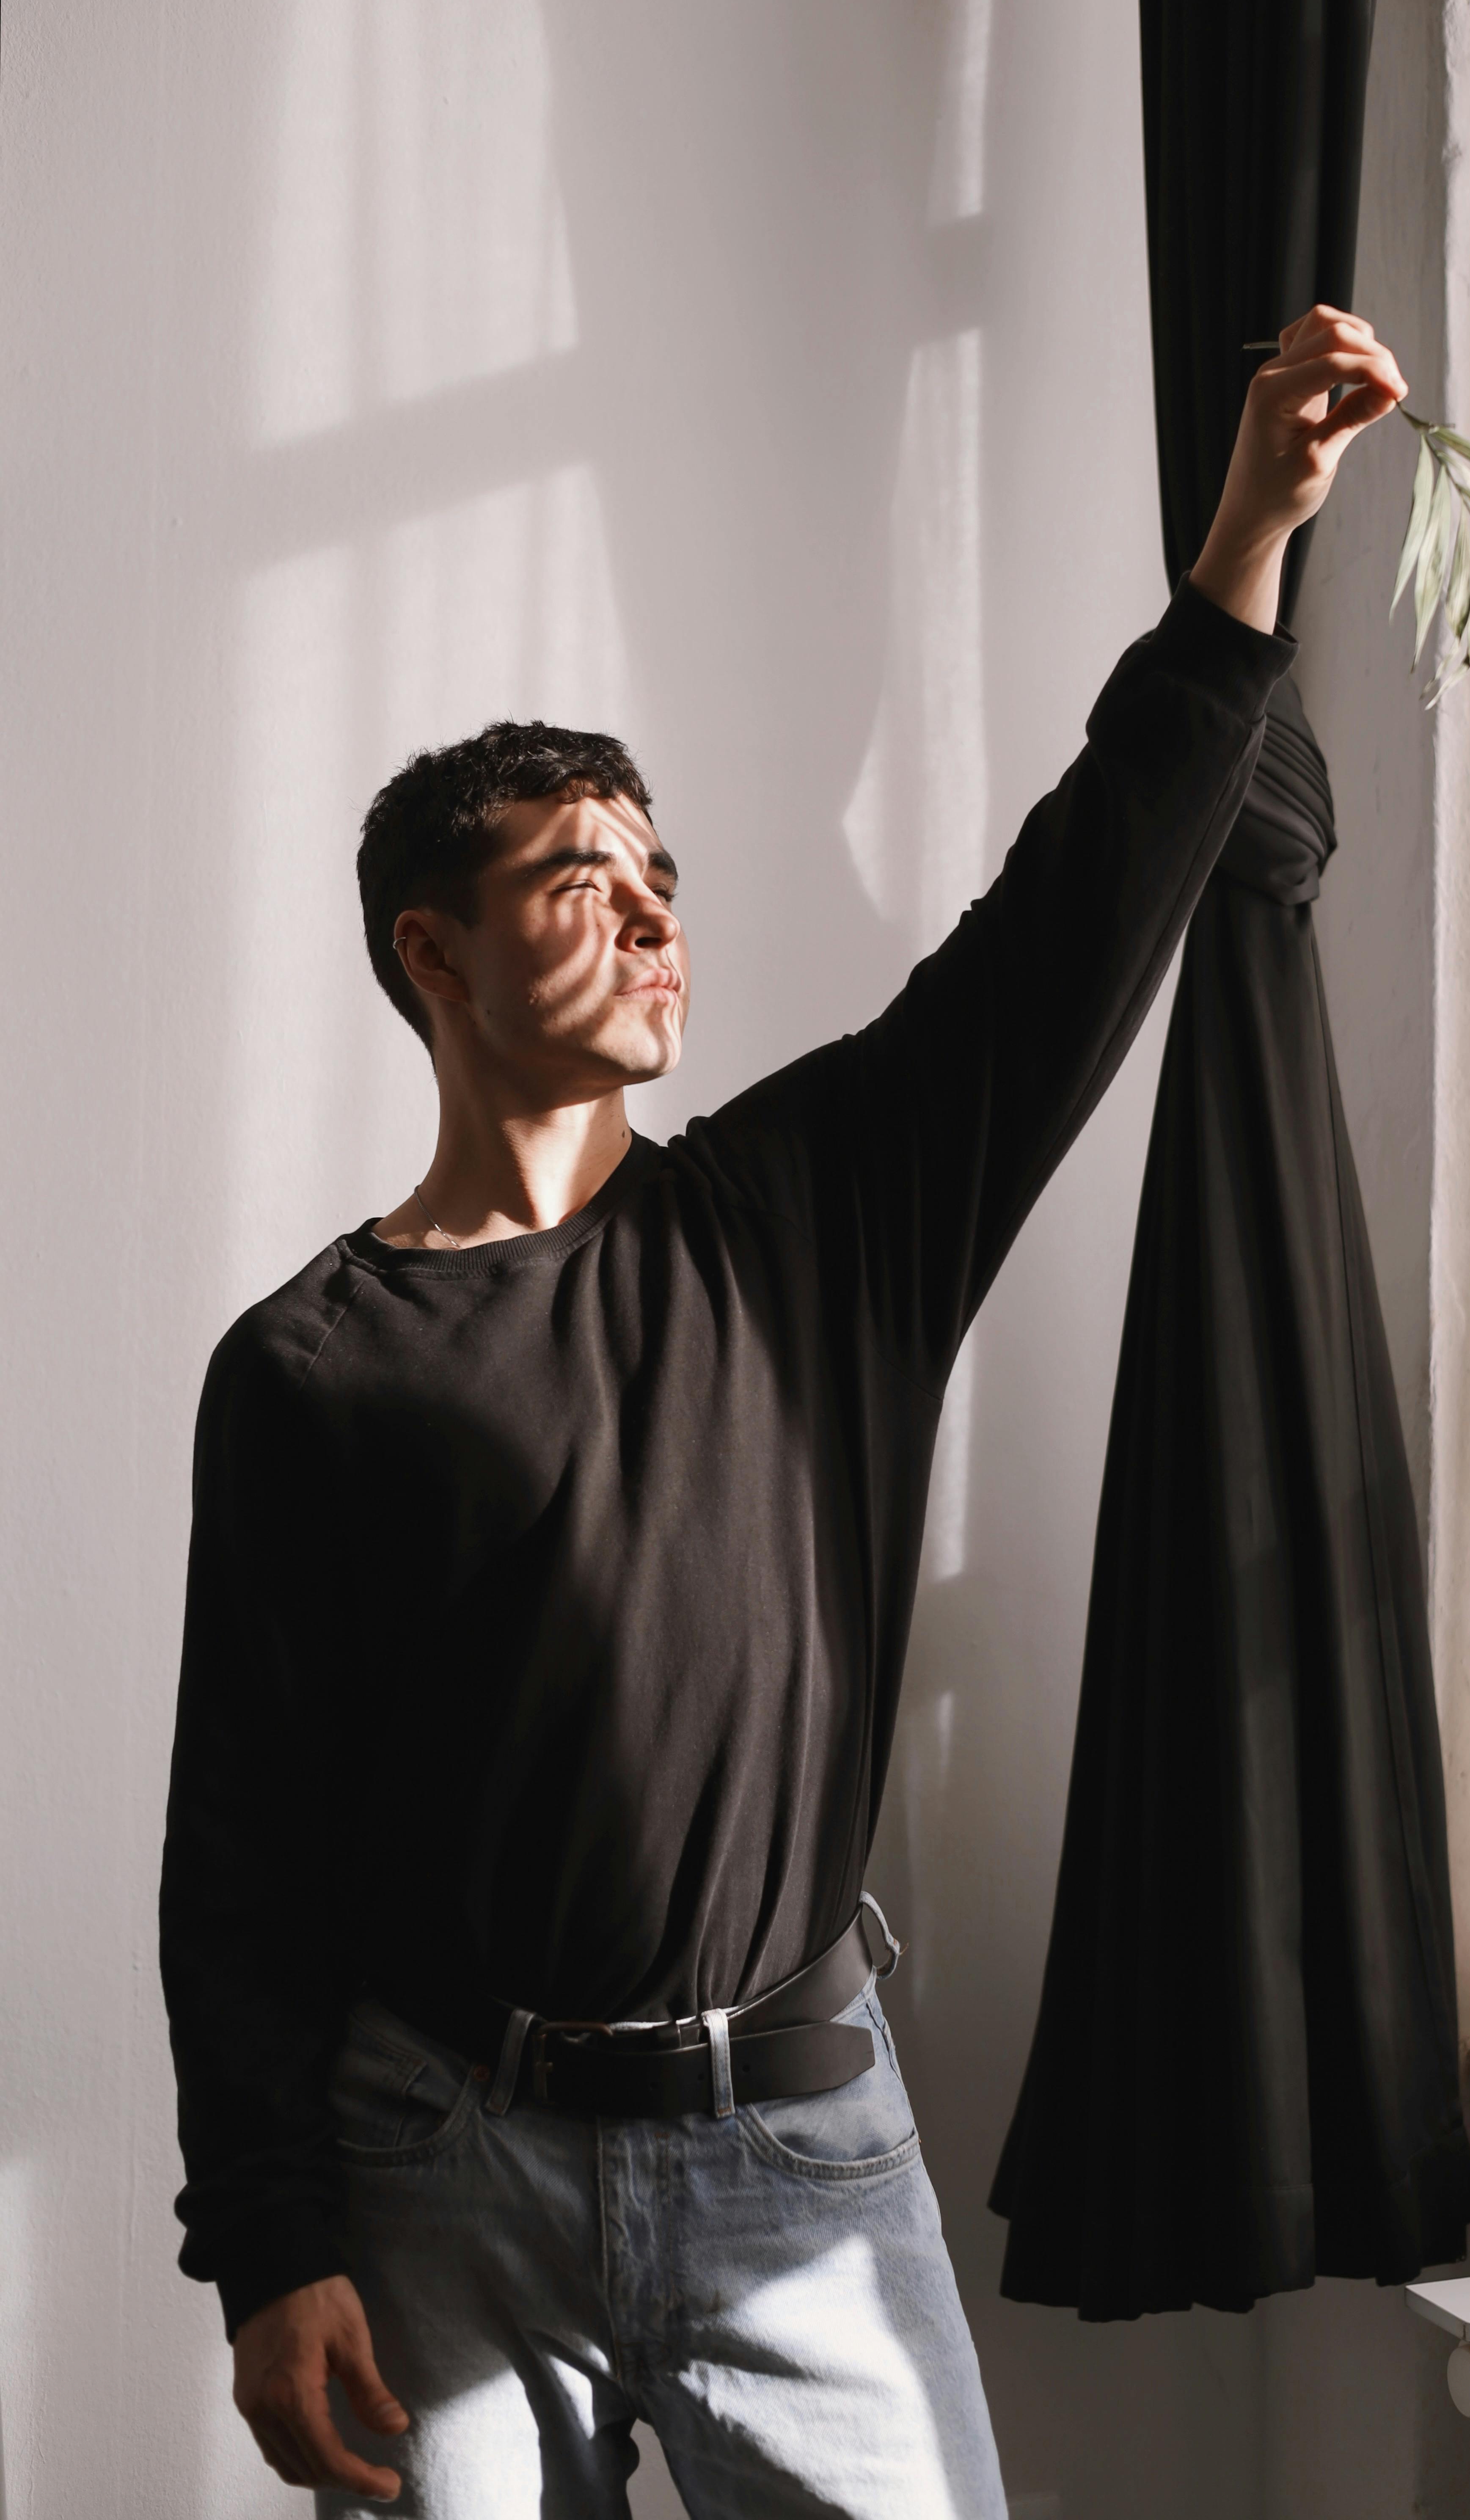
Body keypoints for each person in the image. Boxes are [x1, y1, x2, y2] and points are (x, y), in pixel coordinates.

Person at [160, 307, 1405, 2518]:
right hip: (438, 2165)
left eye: (663, 876)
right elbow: (244, 1849)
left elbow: (1074, 910)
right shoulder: (308, 1368)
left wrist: (1249, 539)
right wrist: (271, 2245)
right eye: (584, 880)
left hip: (796, 2146)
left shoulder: (820, 1216)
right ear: (434, 957)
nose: (651, 913)